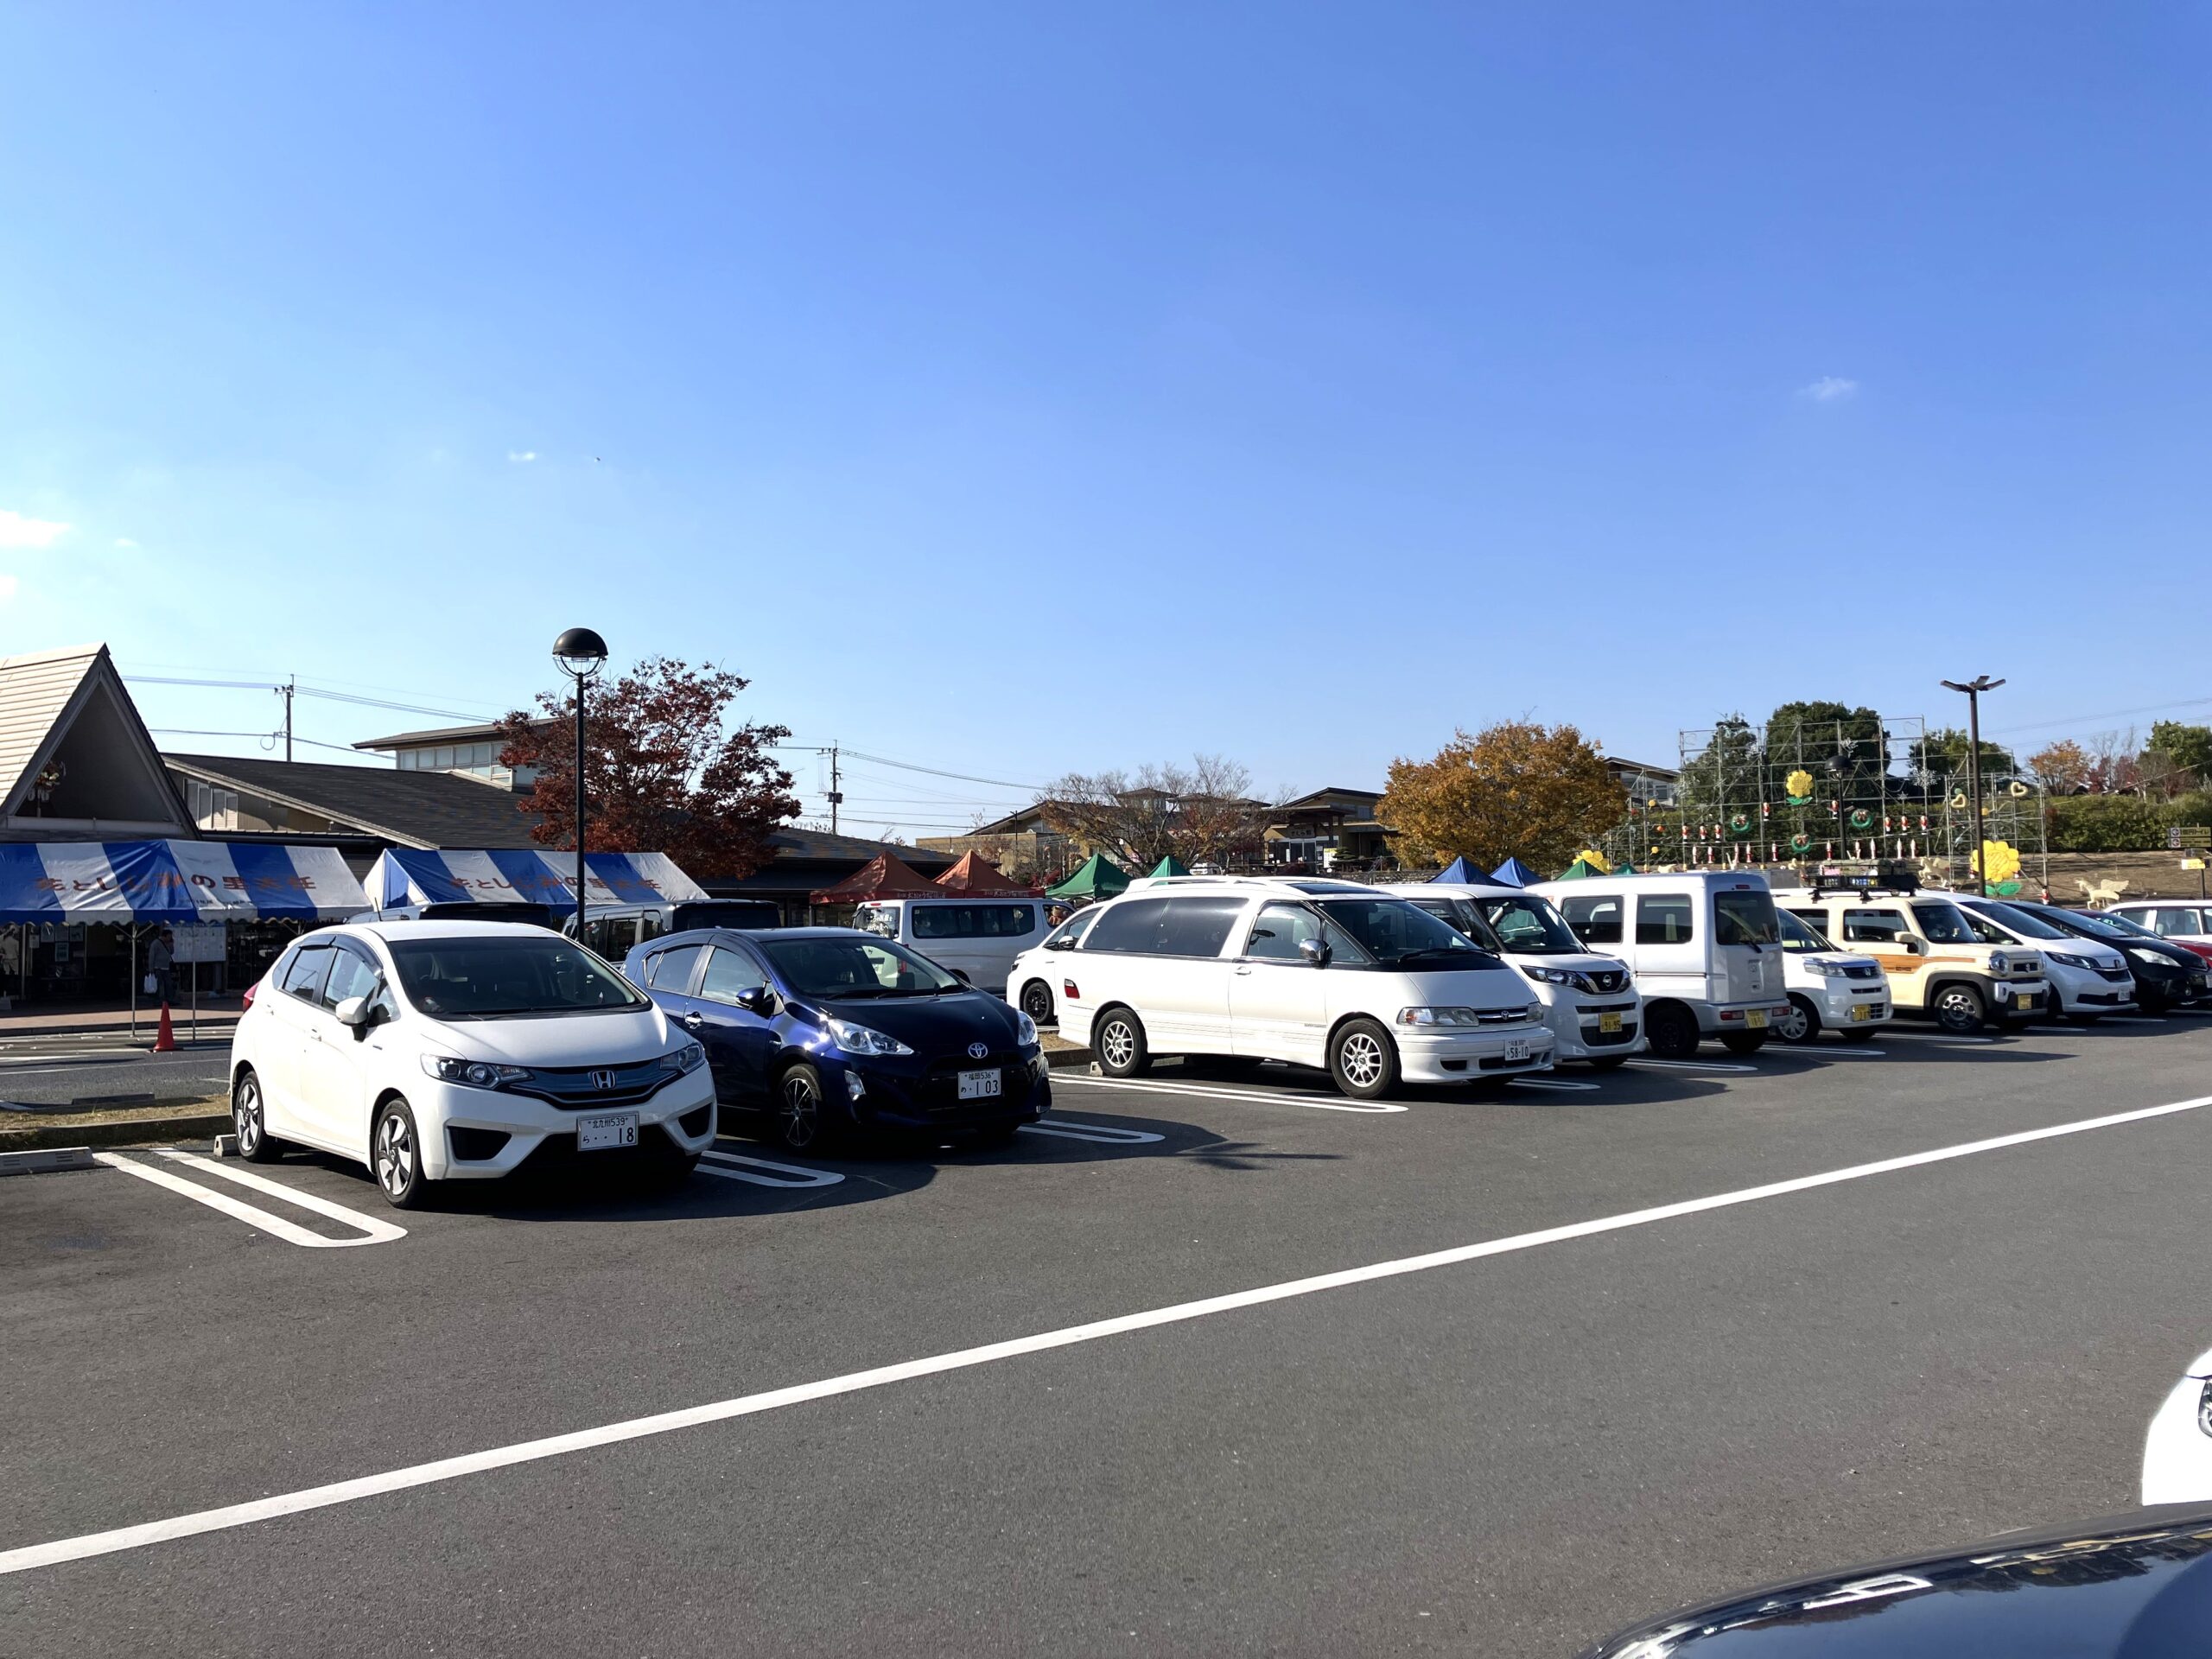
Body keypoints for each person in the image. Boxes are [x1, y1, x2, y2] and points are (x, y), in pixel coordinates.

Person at [147, 929, 175, 1002]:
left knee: (168, 984)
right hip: (158, 967)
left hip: (166, 967)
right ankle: (157, 999)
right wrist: (151, 967)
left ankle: (169, 998)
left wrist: (171, 945)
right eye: (169, 937)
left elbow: (171, 952)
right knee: (158, 984)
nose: (170, 938)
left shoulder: (168, 943)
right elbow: (152, 956)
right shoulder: (156, 943)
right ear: (164, 936)